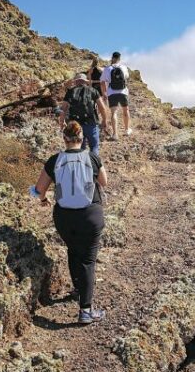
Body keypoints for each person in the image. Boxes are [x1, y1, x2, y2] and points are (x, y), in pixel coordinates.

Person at [30, 121, 107, 324]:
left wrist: (44, 200)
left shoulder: (55, 160)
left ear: (64, 139)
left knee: (73, 252)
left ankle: (77, 289)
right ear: (82, 139)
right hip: (90, 215)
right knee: (88, 260)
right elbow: (104, 182)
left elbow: (38, 189)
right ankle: (86, 310)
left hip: (64, 217)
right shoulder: (91, 157)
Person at [59, 73, 108, 156]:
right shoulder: (93, 91)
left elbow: (63, 109)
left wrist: (62, 122)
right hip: (91, 123)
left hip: (76, 125)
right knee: (94, 146)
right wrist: (104, 120)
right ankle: (94, 166)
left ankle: (81, 165)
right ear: (85, 81)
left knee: (79, 148)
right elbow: (102, 107)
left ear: (76, 82)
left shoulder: (70, 92)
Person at [100, 51, 132, 139]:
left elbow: (102, 82)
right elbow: (126, 77)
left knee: (114, 112)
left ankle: (115, 134)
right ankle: (127, 130)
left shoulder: (107, 68)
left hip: (111, 92)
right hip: (123, 92)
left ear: (112, 58)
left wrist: (104, 93)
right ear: (119, 58)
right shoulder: (123, 67)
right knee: (126, 110)